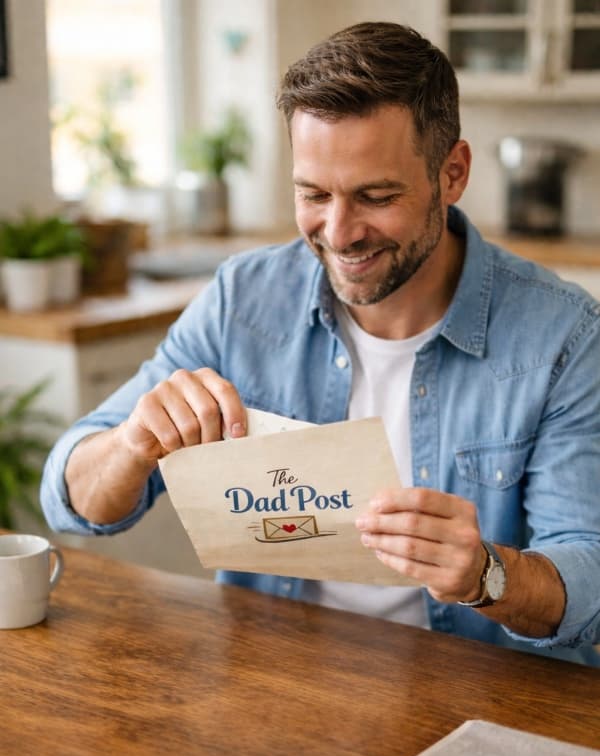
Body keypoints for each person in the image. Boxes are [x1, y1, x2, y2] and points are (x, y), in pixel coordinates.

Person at [41, 21, 600, 666]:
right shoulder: (243, 300)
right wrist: (131, 444)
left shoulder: (562, 336)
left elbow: (588, 578)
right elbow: (69, 500)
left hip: (473, 690)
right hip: (278, 680)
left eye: (376, 196)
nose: (339, 233)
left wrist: (486, 575)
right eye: (313, 194)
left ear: (452, 174)